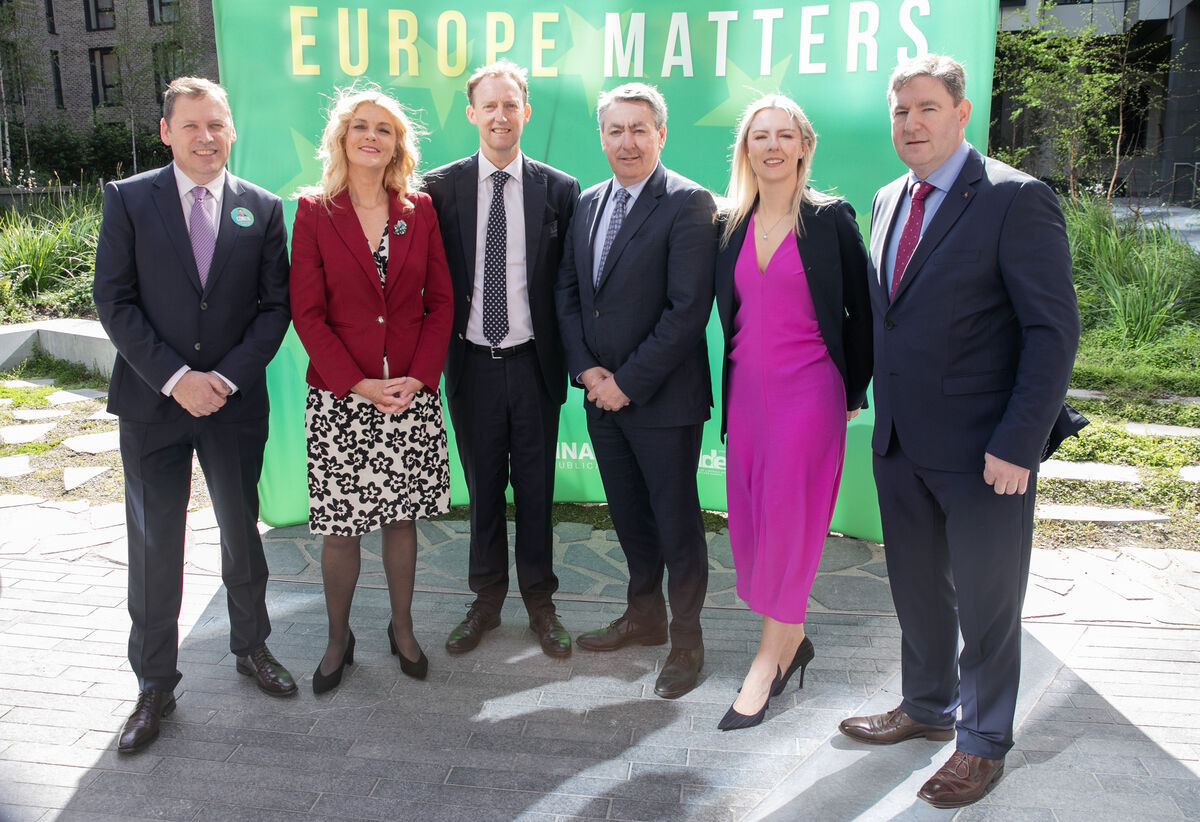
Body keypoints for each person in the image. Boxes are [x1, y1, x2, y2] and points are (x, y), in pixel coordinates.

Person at [837, 55, 1079, 808]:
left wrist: (1019, 442)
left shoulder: (1016, 198)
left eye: (927, 109)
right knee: (917, 591)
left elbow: (1052, 332)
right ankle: (926, 705)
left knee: (987, 600)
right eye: (900, 112)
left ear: (962, 112)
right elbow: (890, 319)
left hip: (985, 452)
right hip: (902, 443)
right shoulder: (885, 199)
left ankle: (982, 742)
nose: (911, 124)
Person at [94, 76, 295, 754]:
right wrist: (178, 379)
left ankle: (253, 647)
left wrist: (226, 379)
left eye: (217, 125)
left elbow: (275, 309)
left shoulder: (261, 208)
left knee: (242, 530)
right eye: (191, 126)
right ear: (165, 132)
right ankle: (155, 684)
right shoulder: (128, 199)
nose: (206, 137)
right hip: (154, 405)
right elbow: (114, 300)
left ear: (231, 130)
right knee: (155, 547)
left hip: (233, 407)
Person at [714, 96, 872, 731]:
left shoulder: (830, 219)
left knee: (790, 518)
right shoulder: (728, 223)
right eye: (760, 136)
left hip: (811, 392)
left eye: (785, 135)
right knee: (752, 520)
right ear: (746, 149)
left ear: (805, 145)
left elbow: (863, 312)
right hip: (747, 398)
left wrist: (851, 389)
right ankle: (794, 637)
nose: (772, 146)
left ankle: (766, 664)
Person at [289, 86, 454, 694]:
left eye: (384, 129)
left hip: (410, 395)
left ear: (396, 146)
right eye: (361, 126)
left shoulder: (420, 211)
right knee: (340, 527)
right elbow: (306, 314)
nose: (371, 136)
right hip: (340, 399)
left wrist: (420, 377)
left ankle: (403, 630)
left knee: (402, 521)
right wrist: (356, 383)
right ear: (341, 137)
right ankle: (338, 639)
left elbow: (440, 304)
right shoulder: (313, 211)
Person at [555, 82, 717, 699]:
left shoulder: (688, 203)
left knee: (675, 521)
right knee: (626, 515)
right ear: (601, 136)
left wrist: (628, 382)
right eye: (615, 130)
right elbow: (568, 295)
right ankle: (644, 616)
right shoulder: (587, 202)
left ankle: (687, 639)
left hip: (662, 400)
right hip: (601, 396)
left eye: (638, 129)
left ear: (661, 135)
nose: (627, 141)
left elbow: (686, 310)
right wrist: (590, 373)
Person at [424, 61, 580, 658]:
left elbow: (566, 285)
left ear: (526, 112)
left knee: (536, 490)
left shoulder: (559, 190)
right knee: (484, 488)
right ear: (472, 114)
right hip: (471, 364)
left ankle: (542, 604)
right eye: (488, 106)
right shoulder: (439, 190)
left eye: (510, 105)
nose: (499, 116)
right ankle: (485, 600)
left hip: (534, 365)